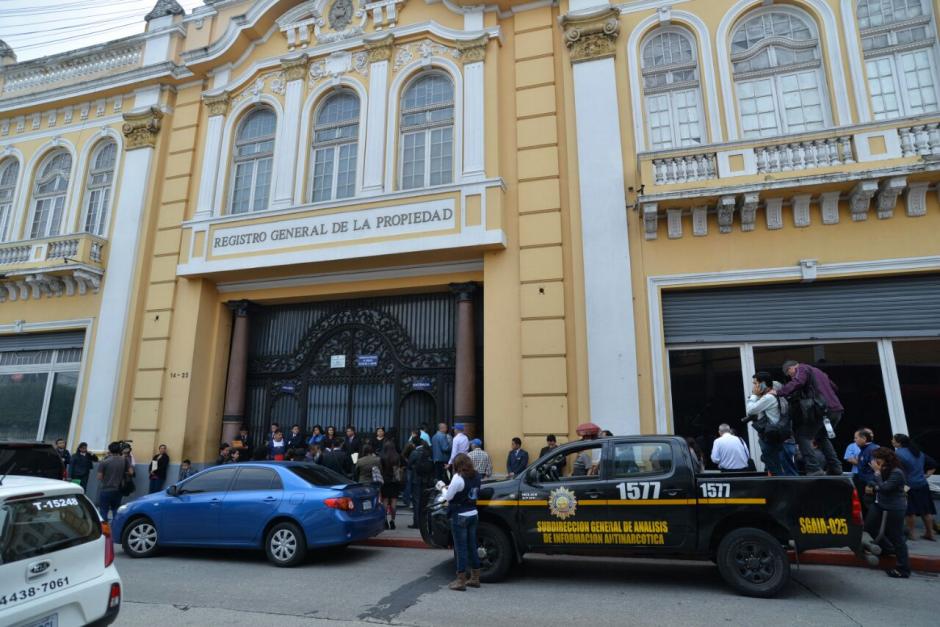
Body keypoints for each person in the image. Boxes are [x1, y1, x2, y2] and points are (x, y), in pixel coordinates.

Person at [770, 360, 843, 476]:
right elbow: (834, 387)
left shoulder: (802, 368)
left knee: (802, 436)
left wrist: (779, 392)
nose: (791, 376)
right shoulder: (818, 371)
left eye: (790, 374)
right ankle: (836, 468)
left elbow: (798, 381)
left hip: (822, 410)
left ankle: (813, 468)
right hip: (836, 409)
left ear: (791, 368)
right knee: (822, 437)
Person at [865, 447, 911, 578]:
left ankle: (903, 569)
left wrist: (877, 474)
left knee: (897, 537)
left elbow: (885, 488)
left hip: (894, 506)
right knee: (869, 527)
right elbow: (876, 483)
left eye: (877, 459)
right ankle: (887, 548)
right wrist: (873, 483)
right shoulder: (884, 470)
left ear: (885, 460)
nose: (875, 462)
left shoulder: (897, 472)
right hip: (879, 503)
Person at [443, 453, 482, 591]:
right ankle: (475, 577)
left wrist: (443, 489)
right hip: (473, 513)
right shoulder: (477, 475)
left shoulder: (458, 478)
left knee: (461, 548)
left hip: (460, 515)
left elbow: (449, 496)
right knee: (472, 546)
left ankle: (461, 580)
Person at [745, 372, 792, 476]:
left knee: (776, 470)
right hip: (780, 435)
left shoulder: (768, 398)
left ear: (763, 384)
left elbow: (751, 410)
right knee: (784, 469)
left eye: (756, 383)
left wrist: (753, 395)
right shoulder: (776, 393)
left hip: (772, 437)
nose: (754, 386)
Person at [892, 433, 937, 541]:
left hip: (908, 485)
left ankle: (912, 534)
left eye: (893, 440)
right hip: (922, 484)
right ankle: (930, 533)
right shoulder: (918, 452)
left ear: (899, 442)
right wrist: (926, 475)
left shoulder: (898, 454)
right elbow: (933, 464)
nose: (892, 441)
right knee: (926, 510)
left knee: (910, 511)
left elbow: (895, 470)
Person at [97, 442, 130, 521]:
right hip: (118, 489)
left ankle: (105, 530)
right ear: (119, 450)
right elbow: (131, 472)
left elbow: (99, 477)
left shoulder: (104, 462)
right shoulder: (124, 460)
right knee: (116, 510)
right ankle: (115, 528)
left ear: (110, 450)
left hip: (106, 489)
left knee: (104, 511)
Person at [408, 436, 435, 529]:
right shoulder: (428, 451)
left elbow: (409, 465)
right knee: (426, 500)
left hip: (416, 479)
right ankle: (426, 521)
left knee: (417, 501)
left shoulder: (415, 452)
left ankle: (417, 522)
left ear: (414, 444)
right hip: (426, 479)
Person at [854, 429, 880, 517]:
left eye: (856, 438)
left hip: (869, 485)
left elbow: (876, 469)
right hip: (863, 482)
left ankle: (874, 528)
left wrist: (871, 484)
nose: (855, 440)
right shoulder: (864, 449)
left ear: (864, 438)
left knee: (870, 507)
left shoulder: (872, 449)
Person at [380, 440, 402, 529]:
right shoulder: (397, 457)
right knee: (394, 502)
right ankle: (392, 520)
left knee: (385, 501)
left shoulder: (382, 457)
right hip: (394, 481)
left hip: (385, 481)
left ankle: (385, 520)